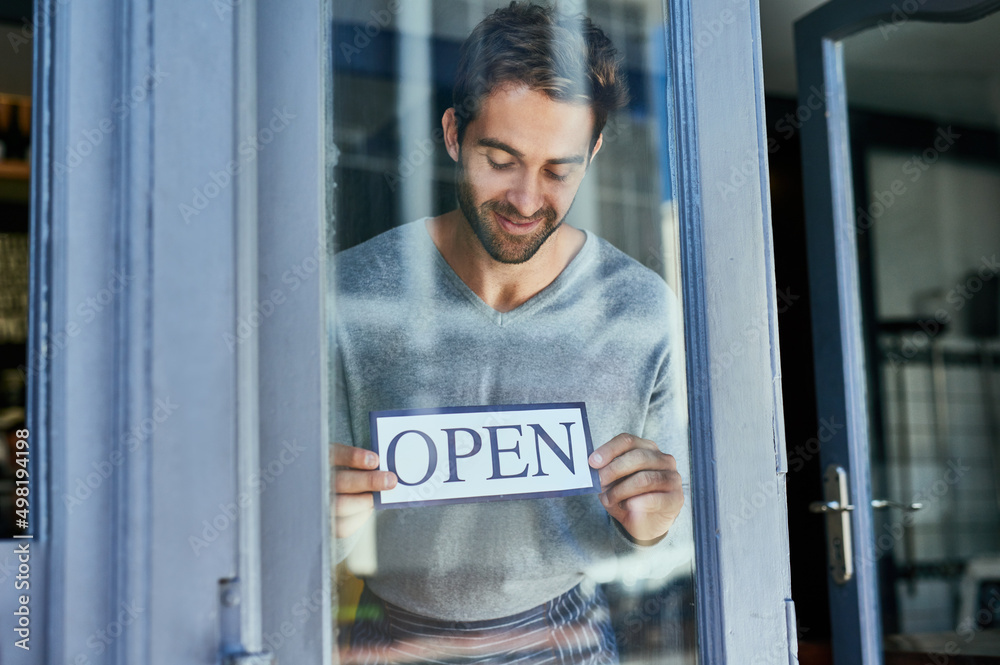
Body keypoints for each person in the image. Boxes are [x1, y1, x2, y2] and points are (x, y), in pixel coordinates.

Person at [332, 3, 689, 663]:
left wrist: (656, 526)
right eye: (501, 158)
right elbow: (279, 516)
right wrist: (312, 515)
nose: (527, 200)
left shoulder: (642, 311)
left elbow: (685, 525)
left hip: (565, 629)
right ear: (452, 134)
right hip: (388, 634)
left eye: (560, 169)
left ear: (596, 151)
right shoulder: (348, 296)